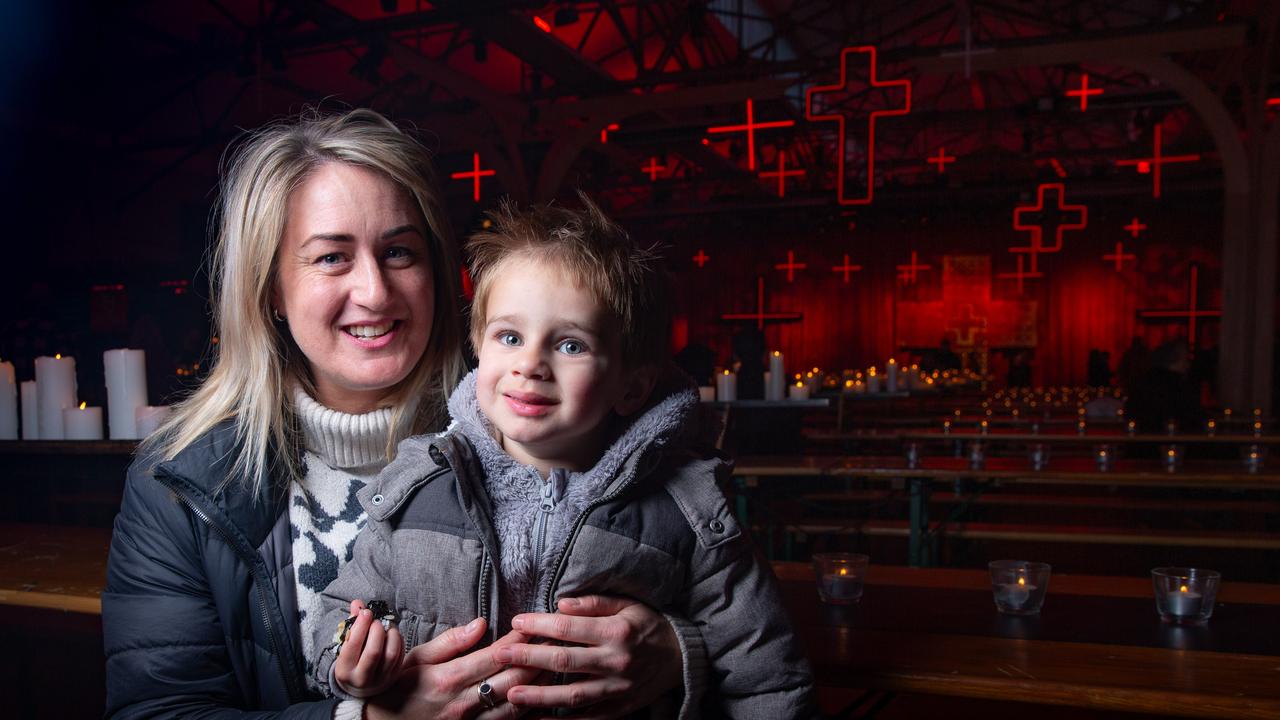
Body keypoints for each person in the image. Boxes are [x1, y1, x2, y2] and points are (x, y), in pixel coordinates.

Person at [103, 109, 696, 719]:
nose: (376, 292)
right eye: (332, 257)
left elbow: (716, 581)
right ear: (270, 289)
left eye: (399, 252)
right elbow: (157, 712)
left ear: (437, 273)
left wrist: (678, 655)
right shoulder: (181, 483)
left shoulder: (545, 415)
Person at [311, 196, 816, 717]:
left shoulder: (687, 510)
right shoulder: (421, 484)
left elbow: (768, 678)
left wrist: (683, 659)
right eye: (509, 336)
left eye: (570, 345)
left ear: (631, 386)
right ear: (479, 349)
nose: (530, 364)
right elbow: (339, 612)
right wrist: (349, 656)